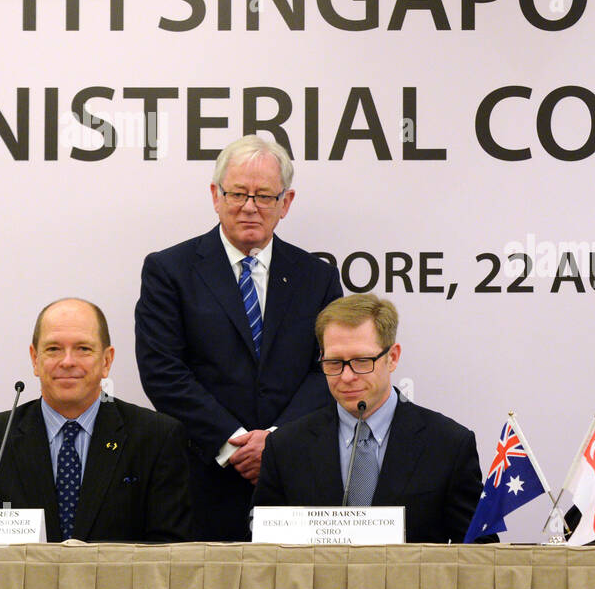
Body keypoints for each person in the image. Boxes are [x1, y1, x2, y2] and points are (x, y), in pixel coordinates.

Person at [135, 135, 343, 541]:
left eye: (264, 195)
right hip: (202, 478)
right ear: (215, 195)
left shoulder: (316, 277)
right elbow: (162, 371)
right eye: (238, 193)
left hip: (296, 481)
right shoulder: (169, 271)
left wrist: (277, 444)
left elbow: (330, 369)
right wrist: (234, 444)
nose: (250, 207)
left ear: (287, 202)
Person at [0, 298, 191, 542]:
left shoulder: (157, 437)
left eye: (83, 349)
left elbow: (170, 552)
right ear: (35, 359)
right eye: (53, 349)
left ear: (106, 361)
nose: (67, 362)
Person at [253, 294, 481, 543]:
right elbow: (264, 550)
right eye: (334, 363)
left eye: (362, 361)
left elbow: (478, 554)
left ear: (392, 357)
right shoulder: (285, 446)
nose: (347, 376)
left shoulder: (448, 445)